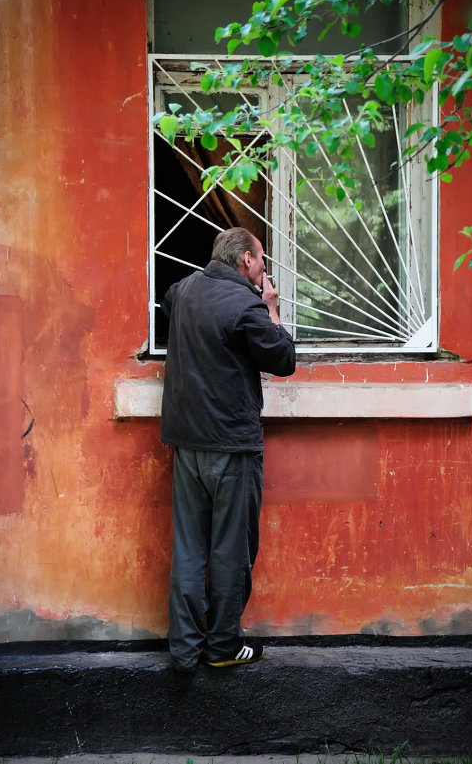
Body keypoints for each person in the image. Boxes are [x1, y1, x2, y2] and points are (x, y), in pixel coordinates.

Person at [160, 227, 296, 672]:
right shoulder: (247, 305)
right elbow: (283, 360)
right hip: (231, 448)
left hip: (186, 443)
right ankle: (221, 646)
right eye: (261, 260)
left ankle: (183, 651)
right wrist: (273, 307)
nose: (264, 268)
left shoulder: (182, 291)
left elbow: (168, 304)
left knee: (189, 548)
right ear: (244, 262)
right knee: (230, 551)